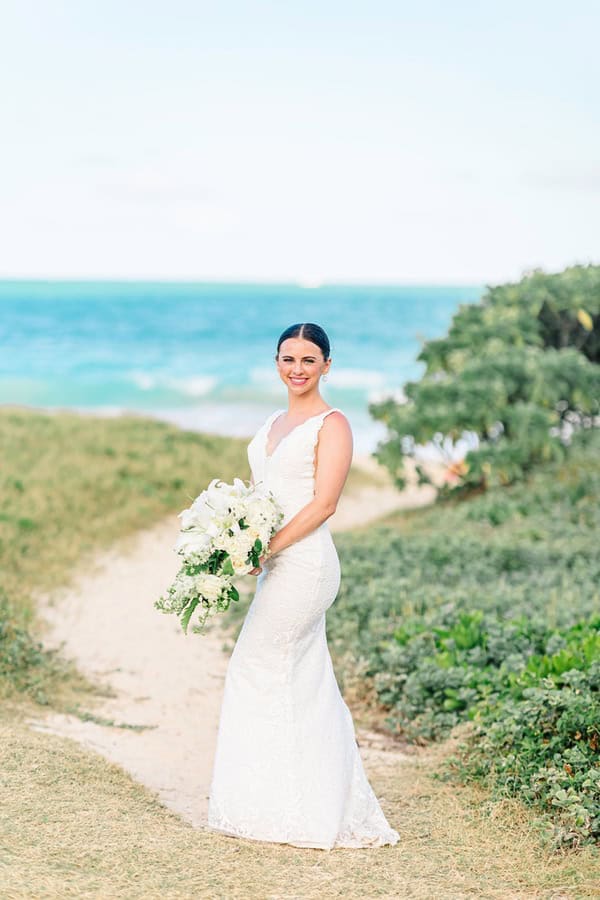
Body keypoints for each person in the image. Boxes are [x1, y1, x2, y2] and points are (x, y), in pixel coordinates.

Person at [207, 322, 399, 850]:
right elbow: (264, 491)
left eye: (308, 360)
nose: (296, 369)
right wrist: (234, 530)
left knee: (256, 665)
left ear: (327, 366)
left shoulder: (332, 424)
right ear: (276, 363)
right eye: (287, 358)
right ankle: (279, 801)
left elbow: (323, 504)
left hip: (307, 565)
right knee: (299, 676)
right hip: (277, 563)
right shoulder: (273, 419)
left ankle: (291, 809)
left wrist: (264, 549)